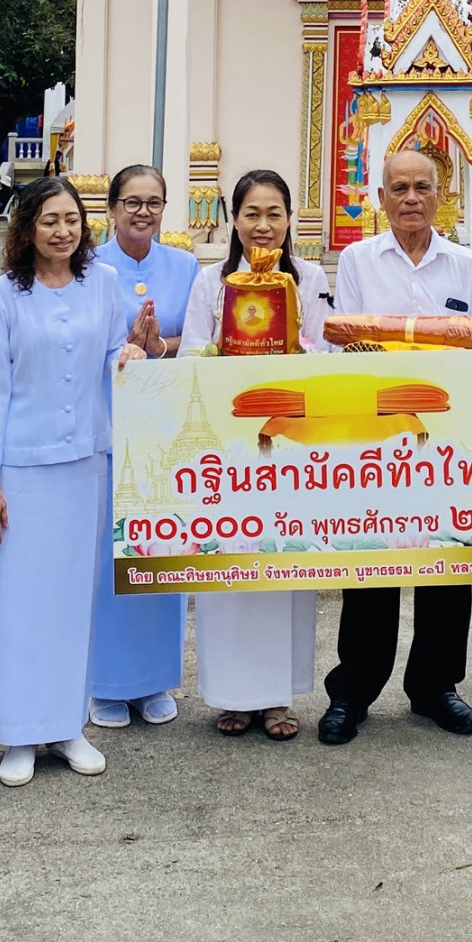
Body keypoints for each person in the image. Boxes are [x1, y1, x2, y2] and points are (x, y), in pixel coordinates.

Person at [317, 148, 472, 745]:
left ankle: (436, 685)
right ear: (380, 198)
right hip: (376, 436)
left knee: (447, 562)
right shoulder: (358, 260)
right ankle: (353, 690)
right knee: (371, 564)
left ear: (442, 195)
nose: (411, 198)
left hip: (447, 439)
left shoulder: (466, 266)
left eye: (422, 187)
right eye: (399, 188)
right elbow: (346, 345)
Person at [0, 176, 160, 787]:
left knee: (73, 601)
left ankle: (65, 726)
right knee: (18, 603)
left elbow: (110, 352)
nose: (62, 231)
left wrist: (129, 355)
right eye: (49, 220)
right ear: (26, 228)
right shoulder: (2, 296)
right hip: (21, 469)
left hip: (84, 464)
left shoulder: (101, 282)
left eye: (71, 220)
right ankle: (18, 733)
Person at [180, 169, 330, 741]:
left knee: (282, 562)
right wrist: (224, 357)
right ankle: (231, 695)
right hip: (228, 442)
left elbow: (323, 349)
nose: (263, 226)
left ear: (290, 220)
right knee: (231, 560)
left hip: (289, 441)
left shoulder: (308, 277)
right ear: (234, 221)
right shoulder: (211, 281)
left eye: (274, 214)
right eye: (251, 214)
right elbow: (192, 351)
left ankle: (276, 696)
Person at [88, 163, 199, 729]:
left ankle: (155, 678)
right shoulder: (87, 267)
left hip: (164, 426)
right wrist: (123, 349)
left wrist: (159, 345)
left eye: (153, 202)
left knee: (160, 551)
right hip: (106, 423)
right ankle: (105, 683)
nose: (143, 212)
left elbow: (200, 338)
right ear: (111, 209)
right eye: (132, 202)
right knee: (108, 557)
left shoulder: (185, 266)